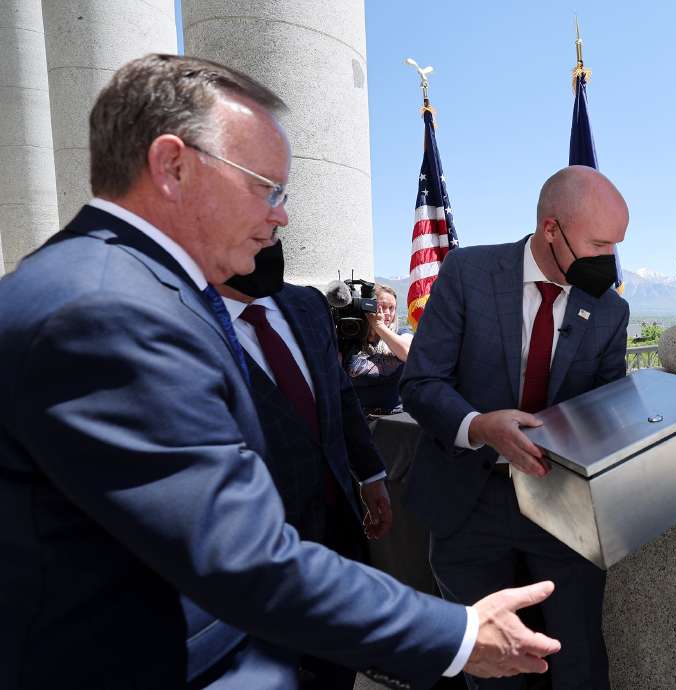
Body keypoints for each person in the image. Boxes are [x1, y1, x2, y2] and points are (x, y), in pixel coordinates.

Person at [0, 53, 559, 690]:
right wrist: (459, 635)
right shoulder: (108, 311)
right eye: (264, 186)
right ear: (172, 166)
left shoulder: (127, 285)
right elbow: (241, 561)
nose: (282, 216)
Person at [402, 165, 631, 690]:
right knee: (491, 669)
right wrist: (480, 426)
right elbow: (420, 383)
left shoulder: (610, 311)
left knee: (577, 658)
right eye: (597, 244)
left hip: (563, 509)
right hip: (467, 504)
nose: (608, 261)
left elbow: (605, 407)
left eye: (615, 244)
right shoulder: (467, 274)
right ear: (552, 229)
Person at [216, 240, 396, 689]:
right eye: (259, 208)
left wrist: (371, 476)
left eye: (280, 204)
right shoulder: (177, 325)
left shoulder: (307, 305)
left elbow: (338, 394)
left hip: (337, 535)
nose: (278, 225)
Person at [348, 283, 413, 414]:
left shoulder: (402, 333)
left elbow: (407, 353)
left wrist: (378, 325)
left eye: (392, 308)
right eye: (381, 307)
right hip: (358, 416)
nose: (387, 313)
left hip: (395, 417)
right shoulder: (351, 338)